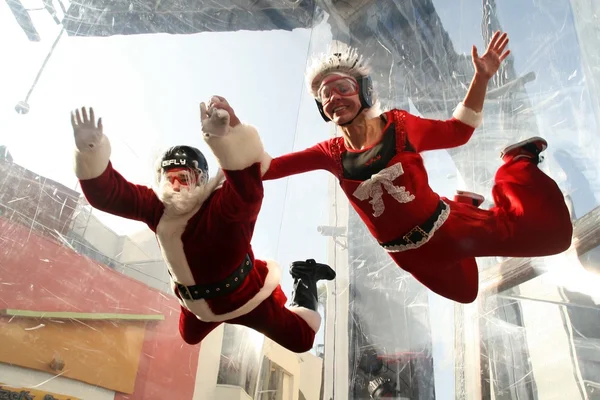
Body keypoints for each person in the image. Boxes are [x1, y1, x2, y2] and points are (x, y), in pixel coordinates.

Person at [210, 31, 573, 303]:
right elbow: (268, 169)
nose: (334, 98)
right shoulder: (330, 152)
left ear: (363, 90)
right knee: (467, 292)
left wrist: (481, 77)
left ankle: (517, 164)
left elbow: (458, 132)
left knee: (552, 236)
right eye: (325, 95)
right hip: (407, 256)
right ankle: (467, 202)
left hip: (445, 229)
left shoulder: (399, 126)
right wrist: (232, 132)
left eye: (341, 87)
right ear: (323, 109)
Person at [69, 104, 335, 353]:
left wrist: (225, 142)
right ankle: (201, 311)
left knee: (302, 339)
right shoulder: (157, 208)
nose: (175, 186)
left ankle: (305, 275)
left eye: (183, 179)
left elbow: (247, 195)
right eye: (169, 179)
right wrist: (91, 150)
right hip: (196, 306)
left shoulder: (217, 207)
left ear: (200, 181)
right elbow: (111, 195)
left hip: (245, 298)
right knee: (189, 336)